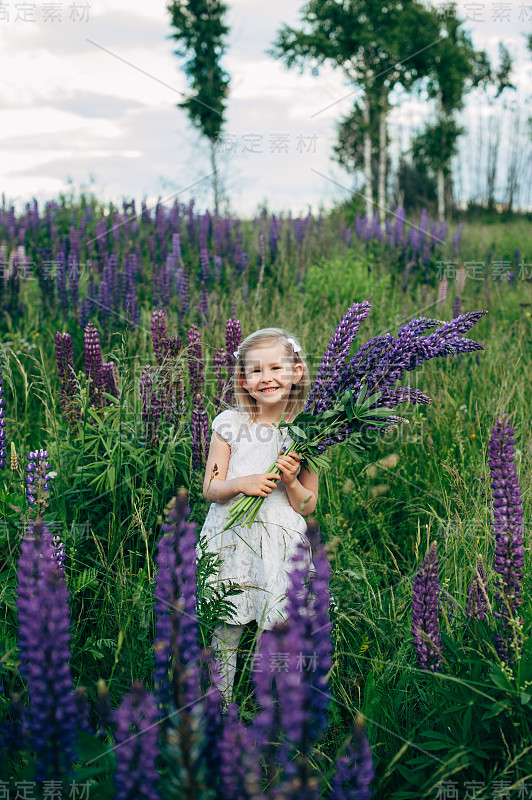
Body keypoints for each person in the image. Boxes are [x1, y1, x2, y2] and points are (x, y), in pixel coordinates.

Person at [197, 327, 318, 707]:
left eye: (276, 368)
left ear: (296, 372)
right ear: (243, 380)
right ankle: (221, 702)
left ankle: (273, 708)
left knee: (276, 625)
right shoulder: (230, 424)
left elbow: (307, 505)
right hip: (230, 536)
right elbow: (210, 489)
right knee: (227, 625)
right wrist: (242, 483)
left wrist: (292, 480)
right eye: (255, 371)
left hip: (279, 543)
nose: (266, 378)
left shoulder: (308, 432)